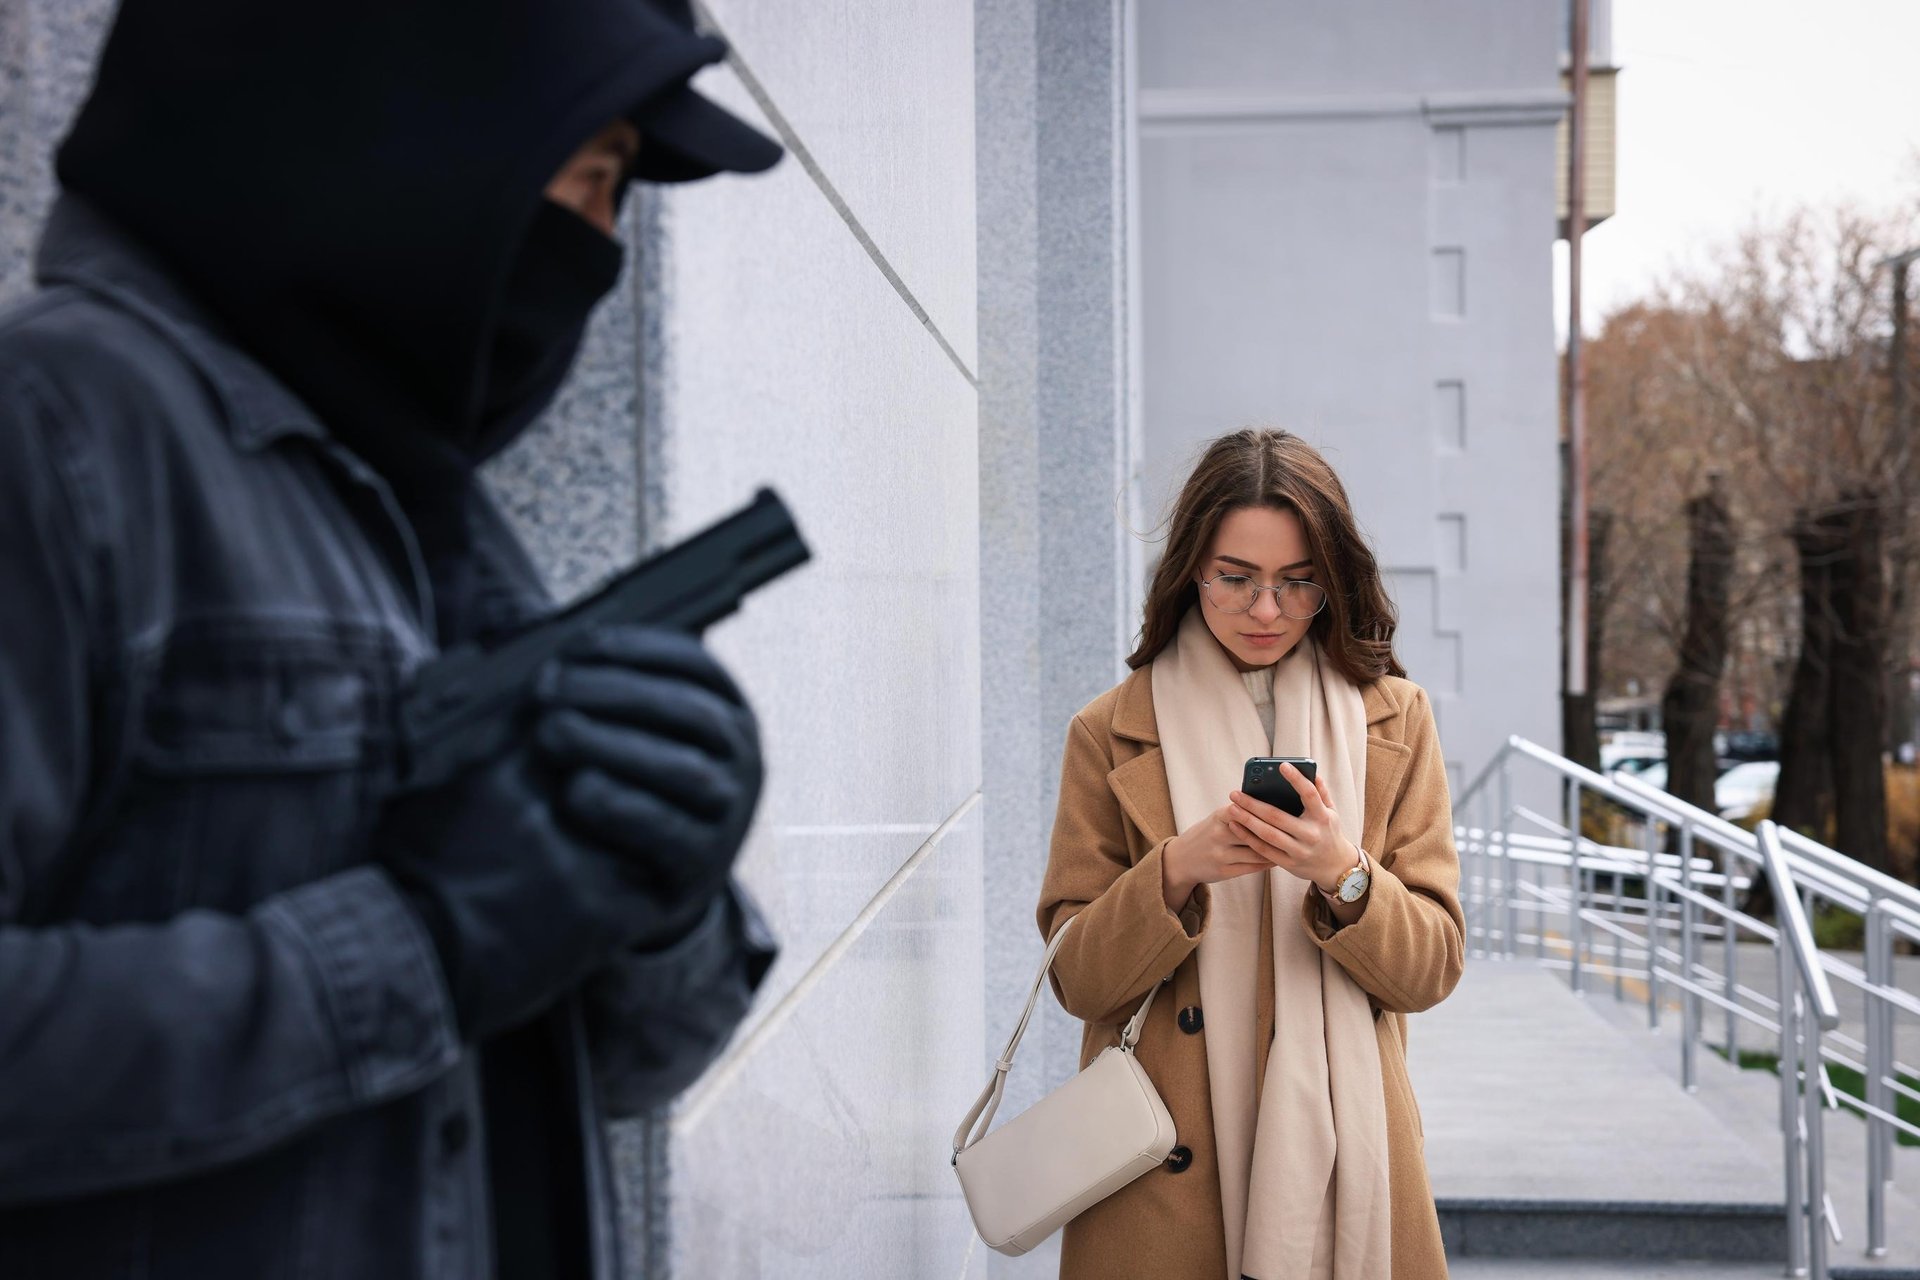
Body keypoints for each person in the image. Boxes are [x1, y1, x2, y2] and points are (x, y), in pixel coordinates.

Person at [0, 1, 785, 1276]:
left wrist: (662, 897)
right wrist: (417, 946)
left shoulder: (418, 494)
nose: (597, 250)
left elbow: (624, 1070)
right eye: (584, 181)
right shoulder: (56, 431)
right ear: (408, 128)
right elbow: (441, 971)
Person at [1037, 429, 1464, 1280]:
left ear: (1331, 583)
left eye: (1297, 582)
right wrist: (1174, 871)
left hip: (1353, 1156)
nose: (1266, 611)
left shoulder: (1396, 721)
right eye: (1236, 579)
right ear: (1191, 569)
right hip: (1159, 1174)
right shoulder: (1111, 731)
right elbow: (1075, 980)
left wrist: (1343, 872)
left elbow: (1432, 969)